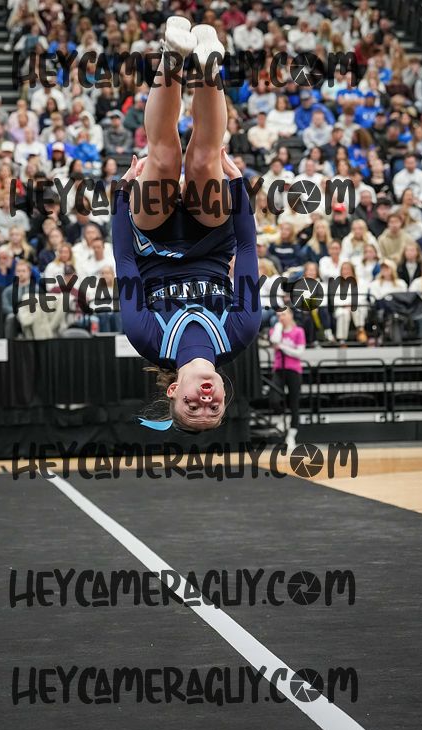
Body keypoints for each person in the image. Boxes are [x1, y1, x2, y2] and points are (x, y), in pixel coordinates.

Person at [111, 18, 261, 432]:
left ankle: (172, 57)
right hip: (211, 238)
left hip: (153, 238)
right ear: (225, 394)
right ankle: (209, 63)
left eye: (192, 409)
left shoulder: (148, 339)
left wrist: (122, 197)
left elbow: (125, 261)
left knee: (162, 160)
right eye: (214, 411)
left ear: (174, 390)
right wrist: (238, 187)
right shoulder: (239, 332)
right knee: (203, 160)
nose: (205, 403)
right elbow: (247, 251)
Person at [268, 307, 306, 450]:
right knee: (274, 398)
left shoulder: (298, 331)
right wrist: (278, 327)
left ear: (290, 315)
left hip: (294, 370)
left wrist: (283, 347)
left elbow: (299, 352)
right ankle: (281, 420)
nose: (281, 317)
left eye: (284, 314)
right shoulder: (275, 330)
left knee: (294, 403)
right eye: (279, 316)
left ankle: (291, 435)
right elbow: (274, 341)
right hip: (279, 369)